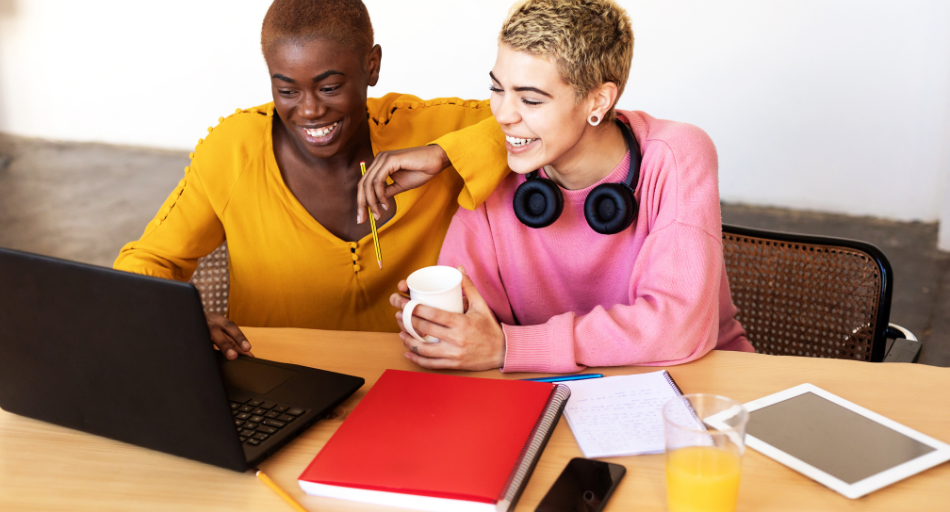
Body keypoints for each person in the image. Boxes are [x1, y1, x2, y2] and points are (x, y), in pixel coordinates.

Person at [113, 0, 508, 359]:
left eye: (330, 87)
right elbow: (149, 261)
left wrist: (443, 154)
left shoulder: (435, 128)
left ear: (371, 66)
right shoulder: (232, 151)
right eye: (286, 89)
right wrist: (177, 324)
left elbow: (538, 121)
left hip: (420, 377)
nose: (310, 110)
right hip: (274, 383)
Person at [382, 0, 755, 372]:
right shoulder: (498, 164)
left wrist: (512, 346)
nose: (503, 115)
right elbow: (474, 316)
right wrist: (444, 326)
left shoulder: (677, 154)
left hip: (701, 381)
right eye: (497, 89)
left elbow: (678, 327)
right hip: (545, 388)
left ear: (598, 100)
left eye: (530, 99)